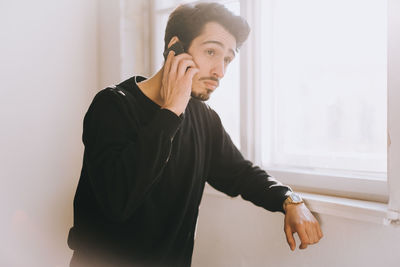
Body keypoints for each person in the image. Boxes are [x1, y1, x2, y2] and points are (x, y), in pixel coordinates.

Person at [67, 2, 323, 266]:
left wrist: (289, 199)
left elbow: (240, 174)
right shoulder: (113, 105)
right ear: (175, 48)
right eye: (211, 51)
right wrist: (171, 112)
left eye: (227, 59)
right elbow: (118, 201)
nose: (220, 71)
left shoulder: (204, 118)